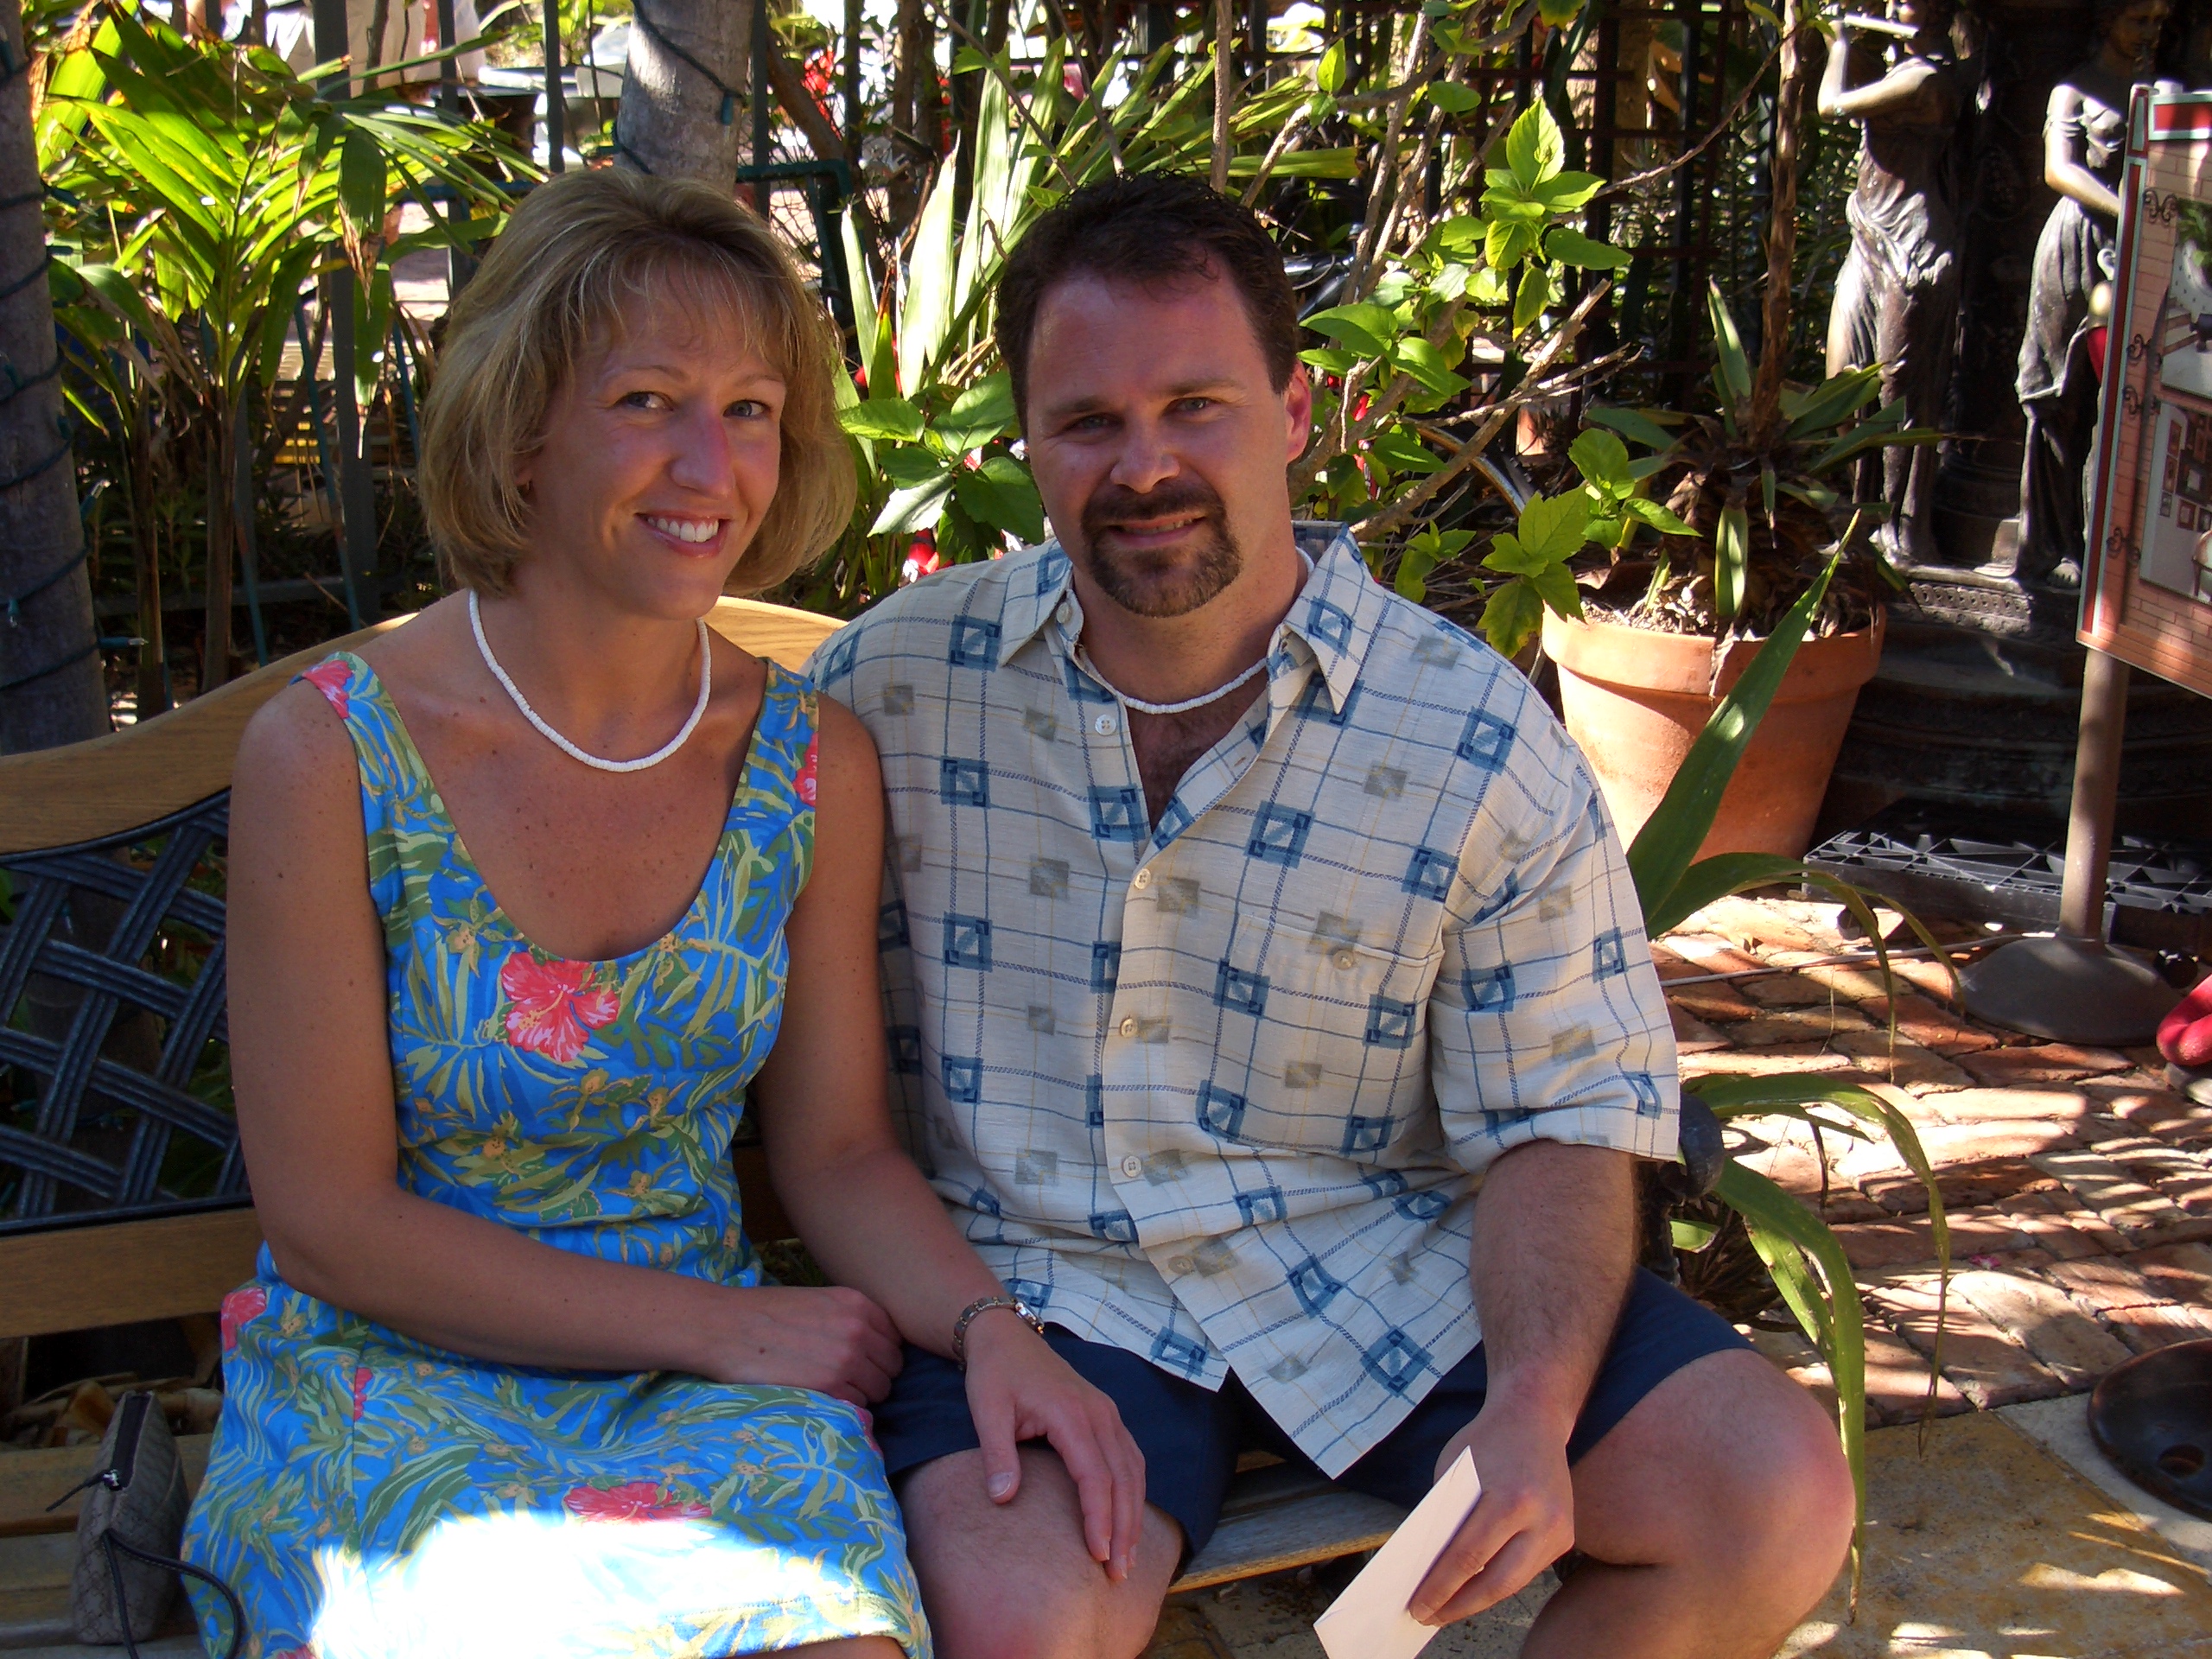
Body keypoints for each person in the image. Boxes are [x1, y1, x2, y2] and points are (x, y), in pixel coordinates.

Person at [810, 173, 1859, 1658]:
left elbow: (1563, 1112)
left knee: (1768, 1498)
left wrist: (1531, 1408)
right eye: (1089, 422)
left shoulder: (1471, 739)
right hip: (1044, 1290)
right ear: (1025, 440)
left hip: (1389, 1268)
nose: (1146, 466)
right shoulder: (890, 689)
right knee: (1016, 1620)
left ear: (1299, 411)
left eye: (1197, 406)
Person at [181, 168, 1141, 1659]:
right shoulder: (332, 756)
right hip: (385, 1372)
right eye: (647, 401)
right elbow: (330, 1227)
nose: (711, 464)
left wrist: (990, 1332)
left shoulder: (807, 764)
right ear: (521, 434)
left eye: (751, 409)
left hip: (706, 1399)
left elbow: (836, 1153)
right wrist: (724, 1326)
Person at [2010, 0, 2176, 589]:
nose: (2149, 32)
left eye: (2159, 21)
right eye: (2138, 19)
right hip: (2078, 246)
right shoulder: (2075, 90)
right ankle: (2052, 546)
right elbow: (2060, 169)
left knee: (2129, 400)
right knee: (2061, 398)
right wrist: (2129, 210)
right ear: (2108, 20)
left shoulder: (2164, 93)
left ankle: (2112, 544)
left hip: (2139, 251)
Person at [1819, 0, 1967, 567]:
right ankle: (1858, 517)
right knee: (1845, 379)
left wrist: (1838, 40)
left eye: (1904, 1)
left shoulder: (1925, 80)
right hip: (1870, 239)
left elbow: (1831, 104)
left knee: (1898, 391)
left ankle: (1898, 531)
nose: (1889, 7)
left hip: (1913, 247)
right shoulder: (1899, 69)